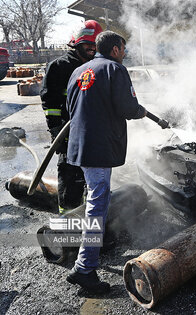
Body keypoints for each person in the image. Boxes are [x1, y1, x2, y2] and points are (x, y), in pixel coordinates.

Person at [65, 31, 147, 293]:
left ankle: (83, 264)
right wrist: (139, 110)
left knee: (96, 199)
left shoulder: (80, 71)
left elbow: (71, 106)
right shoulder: (115, 69)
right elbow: (126, 107)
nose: (124, 52)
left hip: (81, 147)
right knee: (97, 205)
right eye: (123, 48)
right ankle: (84, 269)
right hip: (99, 148)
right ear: (114, 49)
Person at [40, 20, 103, 215]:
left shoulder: (97, 66)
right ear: (77, 43)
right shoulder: (59, 67)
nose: (92, 49)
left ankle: (88, 221)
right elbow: (50, 104)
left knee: (92, 182)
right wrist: (56, 131)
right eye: (88, 45)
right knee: (70, 183)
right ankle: (66, 230)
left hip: (93, 136)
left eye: (95, 46)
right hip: (69, 138)